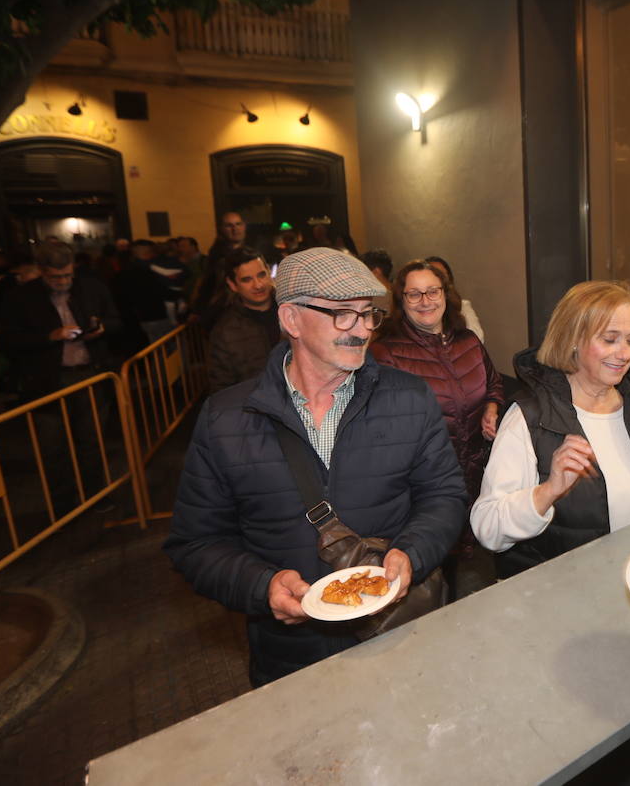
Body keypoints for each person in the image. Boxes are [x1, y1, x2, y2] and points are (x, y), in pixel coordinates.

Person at [164, 247, 467, 686]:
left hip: (402, 638)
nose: (361, 328)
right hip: (292, 659)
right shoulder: (226, 418)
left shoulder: (410, 398)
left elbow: (444, 496)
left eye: (368, 314)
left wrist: (412, 553)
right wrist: (261, 586)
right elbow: (195, 544)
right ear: (290, 320)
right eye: (343, 314)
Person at [471, 280, 630, 578]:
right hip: (564, 593)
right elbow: (487, 528)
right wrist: (549, 491)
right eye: (610, 339)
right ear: (573, 340)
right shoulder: (529, 417)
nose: (624, 353)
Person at [370, 260, 504, 593]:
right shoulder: (386, 353)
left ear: (446, 294)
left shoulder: (468, 341)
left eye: (432, 291)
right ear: (401, 301)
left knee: (476, 582)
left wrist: (492, 406)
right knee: (429, 587)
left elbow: (495, 382)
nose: (425, 301)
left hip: (477, 477)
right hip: (424, 489)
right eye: (413, 294)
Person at [0, 241, 120, 402]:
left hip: (91, 373)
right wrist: (50, 336)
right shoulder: (21, 298)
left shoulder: (92, 288)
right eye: (55, 277)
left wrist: (101, 328)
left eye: (68, 275)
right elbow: (8, 340)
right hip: (47, 379)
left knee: (93, 425)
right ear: (41, 271)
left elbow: (116, 321)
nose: (63, 281)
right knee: (51, 425)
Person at [206, 247, 280, 393]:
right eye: (247, 280)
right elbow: (221, 388)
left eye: (261, 275)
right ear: (233, 285)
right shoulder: (225, 332)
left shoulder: (294, 311)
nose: (258, 285)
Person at [424, 255, 485, 343]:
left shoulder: (462, 307)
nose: (438, 280)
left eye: (442, 275)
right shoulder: (417, 308)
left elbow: (477, 339)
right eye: (433, 275)